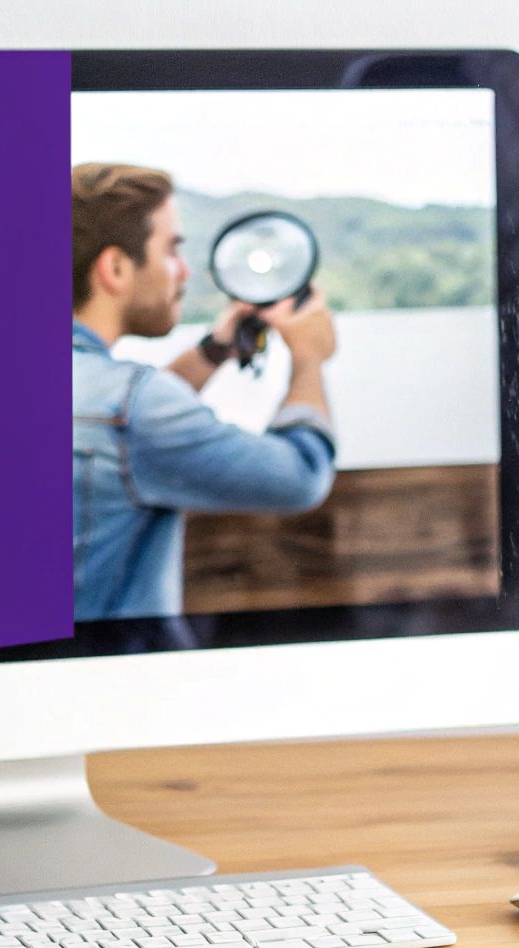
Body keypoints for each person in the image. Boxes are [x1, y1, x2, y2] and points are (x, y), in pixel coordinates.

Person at [71, 162, 339, 621]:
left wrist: (214, 351)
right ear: (115, 267)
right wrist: (309, 359)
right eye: (172, 250)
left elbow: (121, 421)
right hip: (112, 676)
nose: (185, 272)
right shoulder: (133, 406)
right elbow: (299, 478)